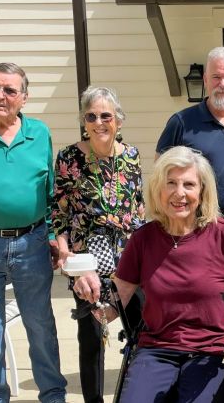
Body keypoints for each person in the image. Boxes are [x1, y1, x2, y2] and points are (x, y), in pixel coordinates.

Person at [73, 145, 224, 402]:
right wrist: (90, 294)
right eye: (171, 183)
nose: (179, 193)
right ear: (159, 190)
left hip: (214, 350)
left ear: (202, 191)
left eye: (189, 184)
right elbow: (113, 306)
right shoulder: (142, 239)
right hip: (157, 350)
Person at [0, 63, 67, 402]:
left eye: (9, 90)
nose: (0, 96)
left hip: (31, 243)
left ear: (25, 97)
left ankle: (53, 394)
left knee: (40, 326)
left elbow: (49, 189)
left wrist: (51, 235)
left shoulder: (39, 133)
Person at [52, 86, 145, 403]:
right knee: (91, 335)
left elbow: (139, 206)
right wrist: (64, 248)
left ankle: (139, 392)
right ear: (83, 120)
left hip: (129, 257)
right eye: (91, 116)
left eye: (106, 115)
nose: (99, 122)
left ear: (118, 120)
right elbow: (60, 211)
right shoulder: (70, 157)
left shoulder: (131, 156)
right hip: (87, 258)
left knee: (140, 330)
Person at [155, 47, 224, 246]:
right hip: (198, 226)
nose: (222, 84)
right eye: (216, 77)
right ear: (206, 79)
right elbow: (160, 175)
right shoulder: (181, 123)